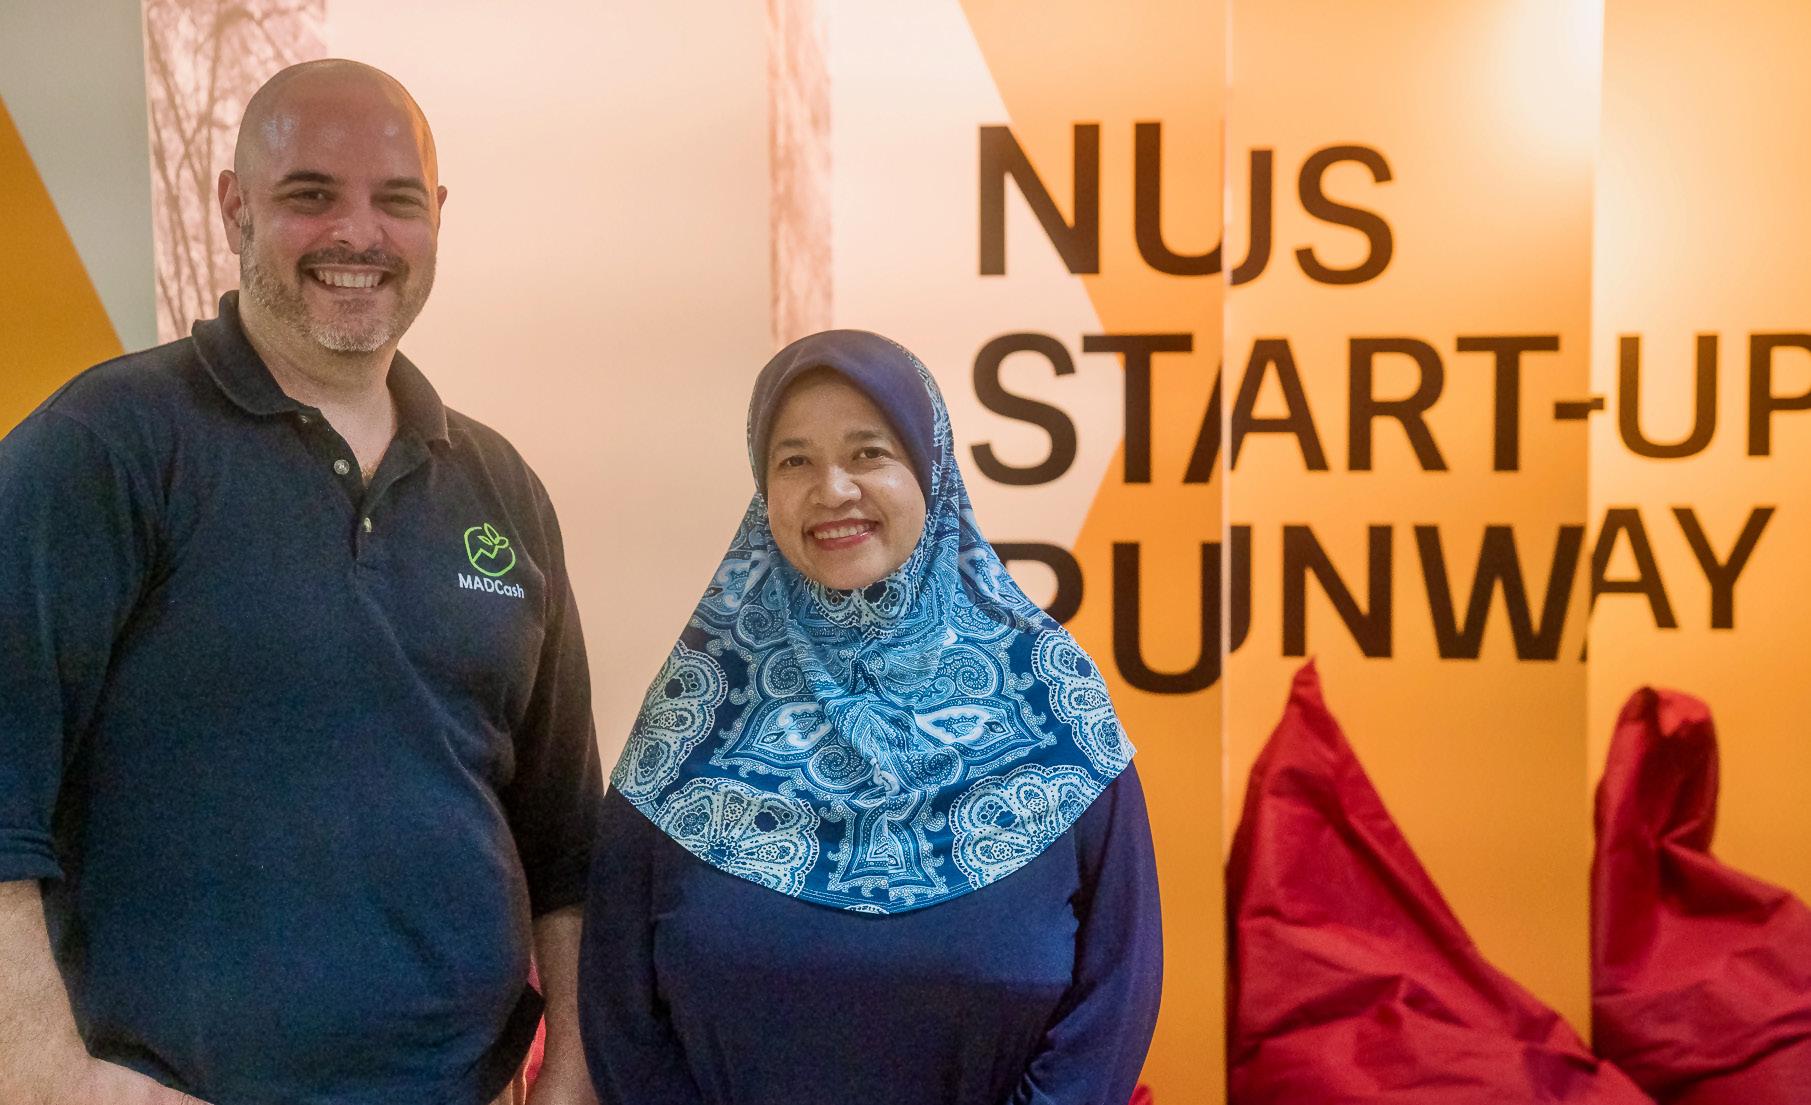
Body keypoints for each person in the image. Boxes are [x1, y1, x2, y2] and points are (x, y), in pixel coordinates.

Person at [0, 61, 600, 1105]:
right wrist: (45, 1075)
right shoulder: (103, 448)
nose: (357, 234)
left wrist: (576, 1071)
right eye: (311, 194)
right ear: (235, 206)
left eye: (396, 200)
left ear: (437, 215)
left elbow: (564, 837)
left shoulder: (499, 487)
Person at [578, 330, 1162, 1104]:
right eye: (793, 461)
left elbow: (1114, 996)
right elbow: (619, 1009)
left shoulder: (1054, 705)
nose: (832, 489)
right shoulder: (694, 714)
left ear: (929, 467)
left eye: (868, 453)